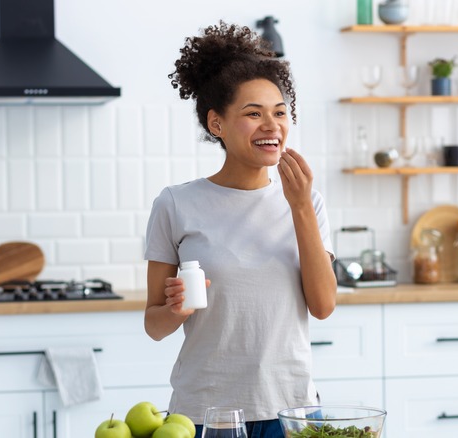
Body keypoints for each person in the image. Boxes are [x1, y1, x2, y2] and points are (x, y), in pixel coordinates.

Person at [143, 21, 338, 438]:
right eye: (253, 114)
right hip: (205, 413)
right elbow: (154, 325)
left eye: (280, 113)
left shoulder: (309, 202)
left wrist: (300, 206)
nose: (272, 125)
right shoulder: (176, 204)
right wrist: (176, 310)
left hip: (292, 410)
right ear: (217, 124)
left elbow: (323, 305)